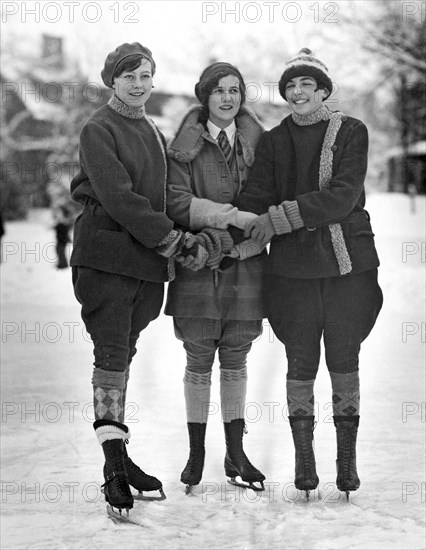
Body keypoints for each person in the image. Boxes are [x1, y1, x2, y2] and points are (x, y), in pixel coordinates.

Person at [235, 48, 383, 498]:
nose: (298, 92)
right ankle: (304, 461)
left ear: (323, 91)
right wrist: (230, 231)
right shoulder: (276, 140)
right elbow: (257, 195)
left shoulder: (350, 132)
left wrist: (278, 220)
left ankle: (347, 461)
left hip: (347, 267)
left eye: (307, 85)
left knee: (344, 357)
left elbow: (342, 195)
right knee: (299, 361)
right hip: (292, 271)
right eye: (290, 86)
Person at [70, 42, 206, 516]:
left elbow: (163, 196)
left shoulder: (150, 128)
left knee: (123, 355)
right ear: (112, 80)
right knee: (110, 354)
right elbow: (120, 198)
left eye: (146, 75)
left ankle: (121, 458)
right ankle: (112, 469)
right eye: (128, 75)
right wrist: (171, 240)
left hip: (144, 264)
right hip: (107, 258)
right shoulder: (98, 128)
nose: (138, 83)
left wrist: (197, 237)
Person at [166, 62, 267, 493]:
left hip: (247, 264)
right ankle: (196, 452)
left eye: (235, 90)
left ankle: (235, 452)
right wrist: (225, 225)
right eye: (219, 91)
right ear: (204, 96)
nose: (228, 98)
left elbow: (269, 203)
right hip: (199, 264)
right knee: (198, 358)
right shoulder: (184, 148)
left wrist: (250, 240)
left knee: (237, 358)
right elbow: (176, 200)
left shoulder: (260, 147)